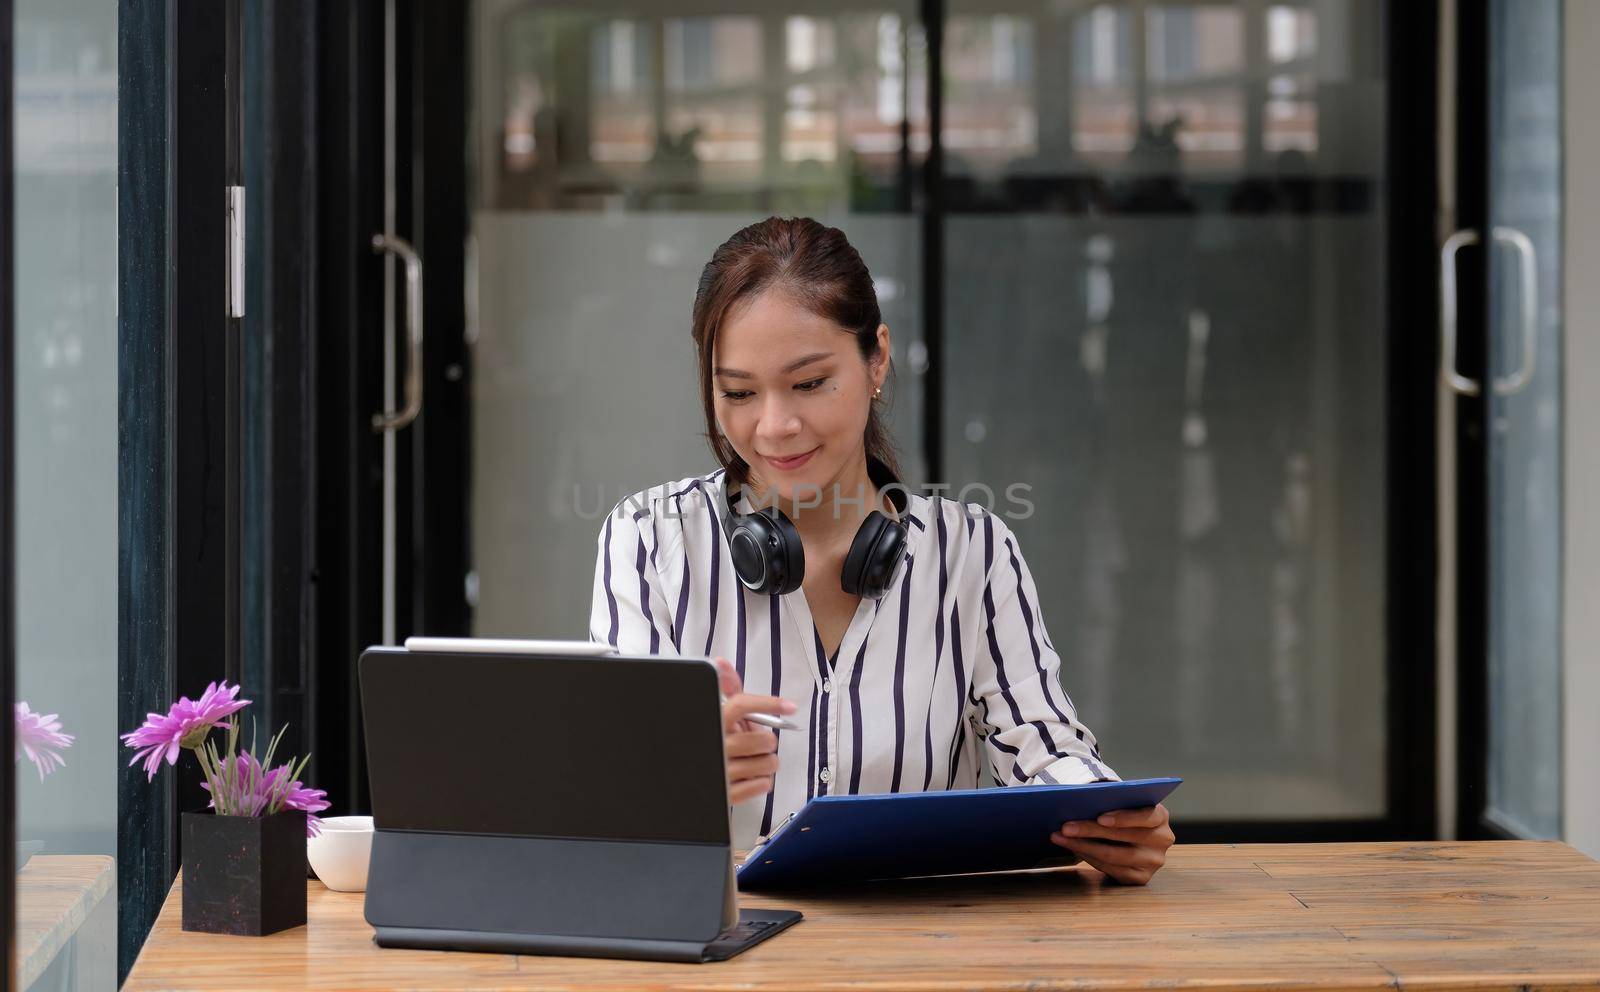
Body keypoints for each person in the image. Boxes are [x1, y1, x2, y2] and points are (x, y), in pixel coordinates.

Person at [590, 217, 1174, 884]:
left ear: (877, 361)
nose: (774, 426)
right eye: (740, 393)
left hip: (924, 954)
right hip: (722, 953)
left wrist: (1110, 821)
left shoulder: (972, 553)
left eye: (809, 383)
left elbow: (1043, 749)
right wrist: (674, 771)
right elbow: (614, 787)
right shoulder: (649, 539)